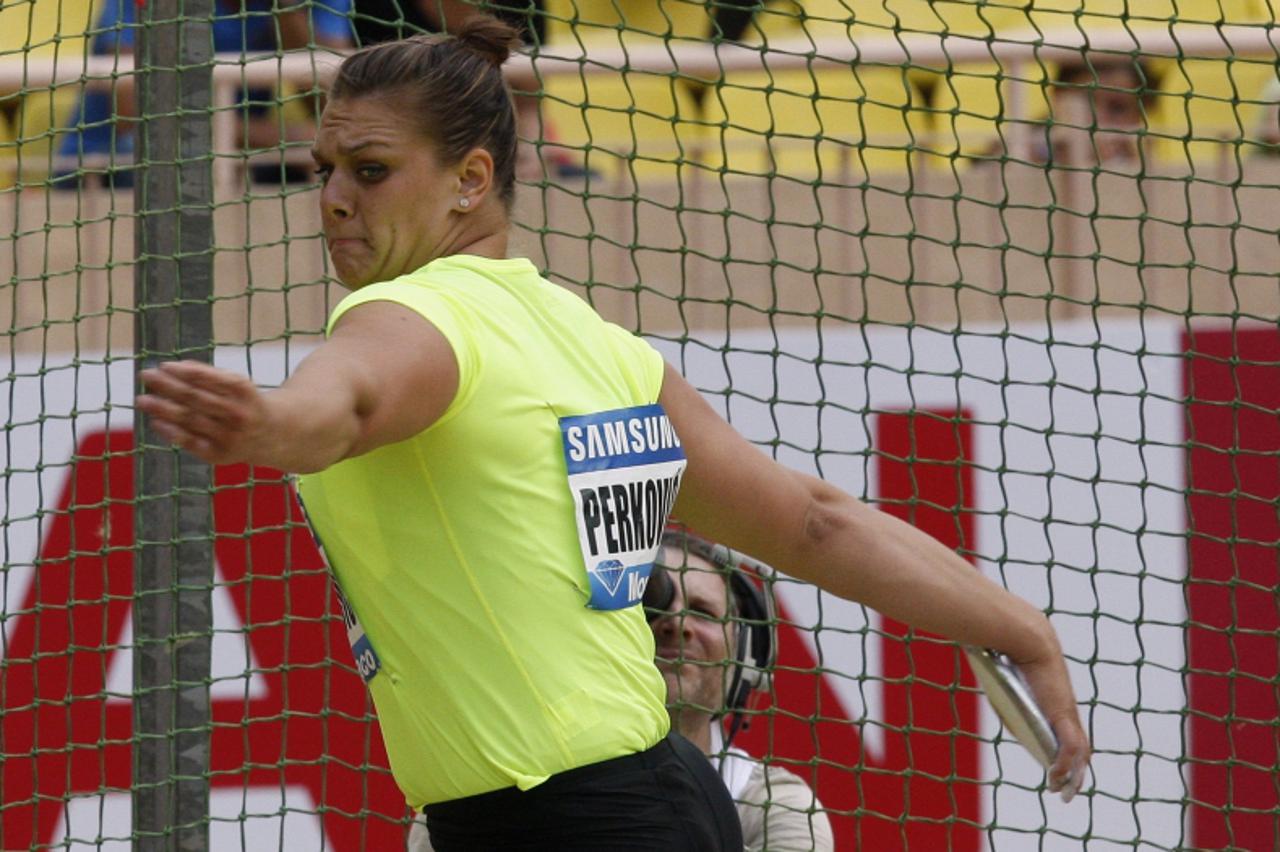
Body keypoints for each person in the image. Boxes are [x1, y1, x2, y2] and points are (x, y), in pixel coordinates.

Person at [136, 16, 1090, 851]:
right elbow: (815, 521)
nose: (336, 198)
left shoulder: (411, 318)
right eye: (325, 170)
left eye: (372, 171)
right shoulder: (594, 344)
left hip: (573, 822)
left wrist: (269, 421)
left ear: (472, 179)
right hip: (644, 799)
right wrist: (1022, 632)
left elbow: (338, 405)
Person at [650, 528, 835, 852]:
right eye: (653, 603)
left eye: (702, 611)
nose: (676, 623)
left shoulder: (776, 803)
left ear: (745, 656)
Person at [53, 0, 354, 188]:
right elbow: (135, 113)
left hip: (240, 156)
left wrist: (288, 10)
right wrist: (279, 137)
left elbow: (338, 102)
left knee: (329, 162)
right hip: (108, 166)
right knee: (162, 158)